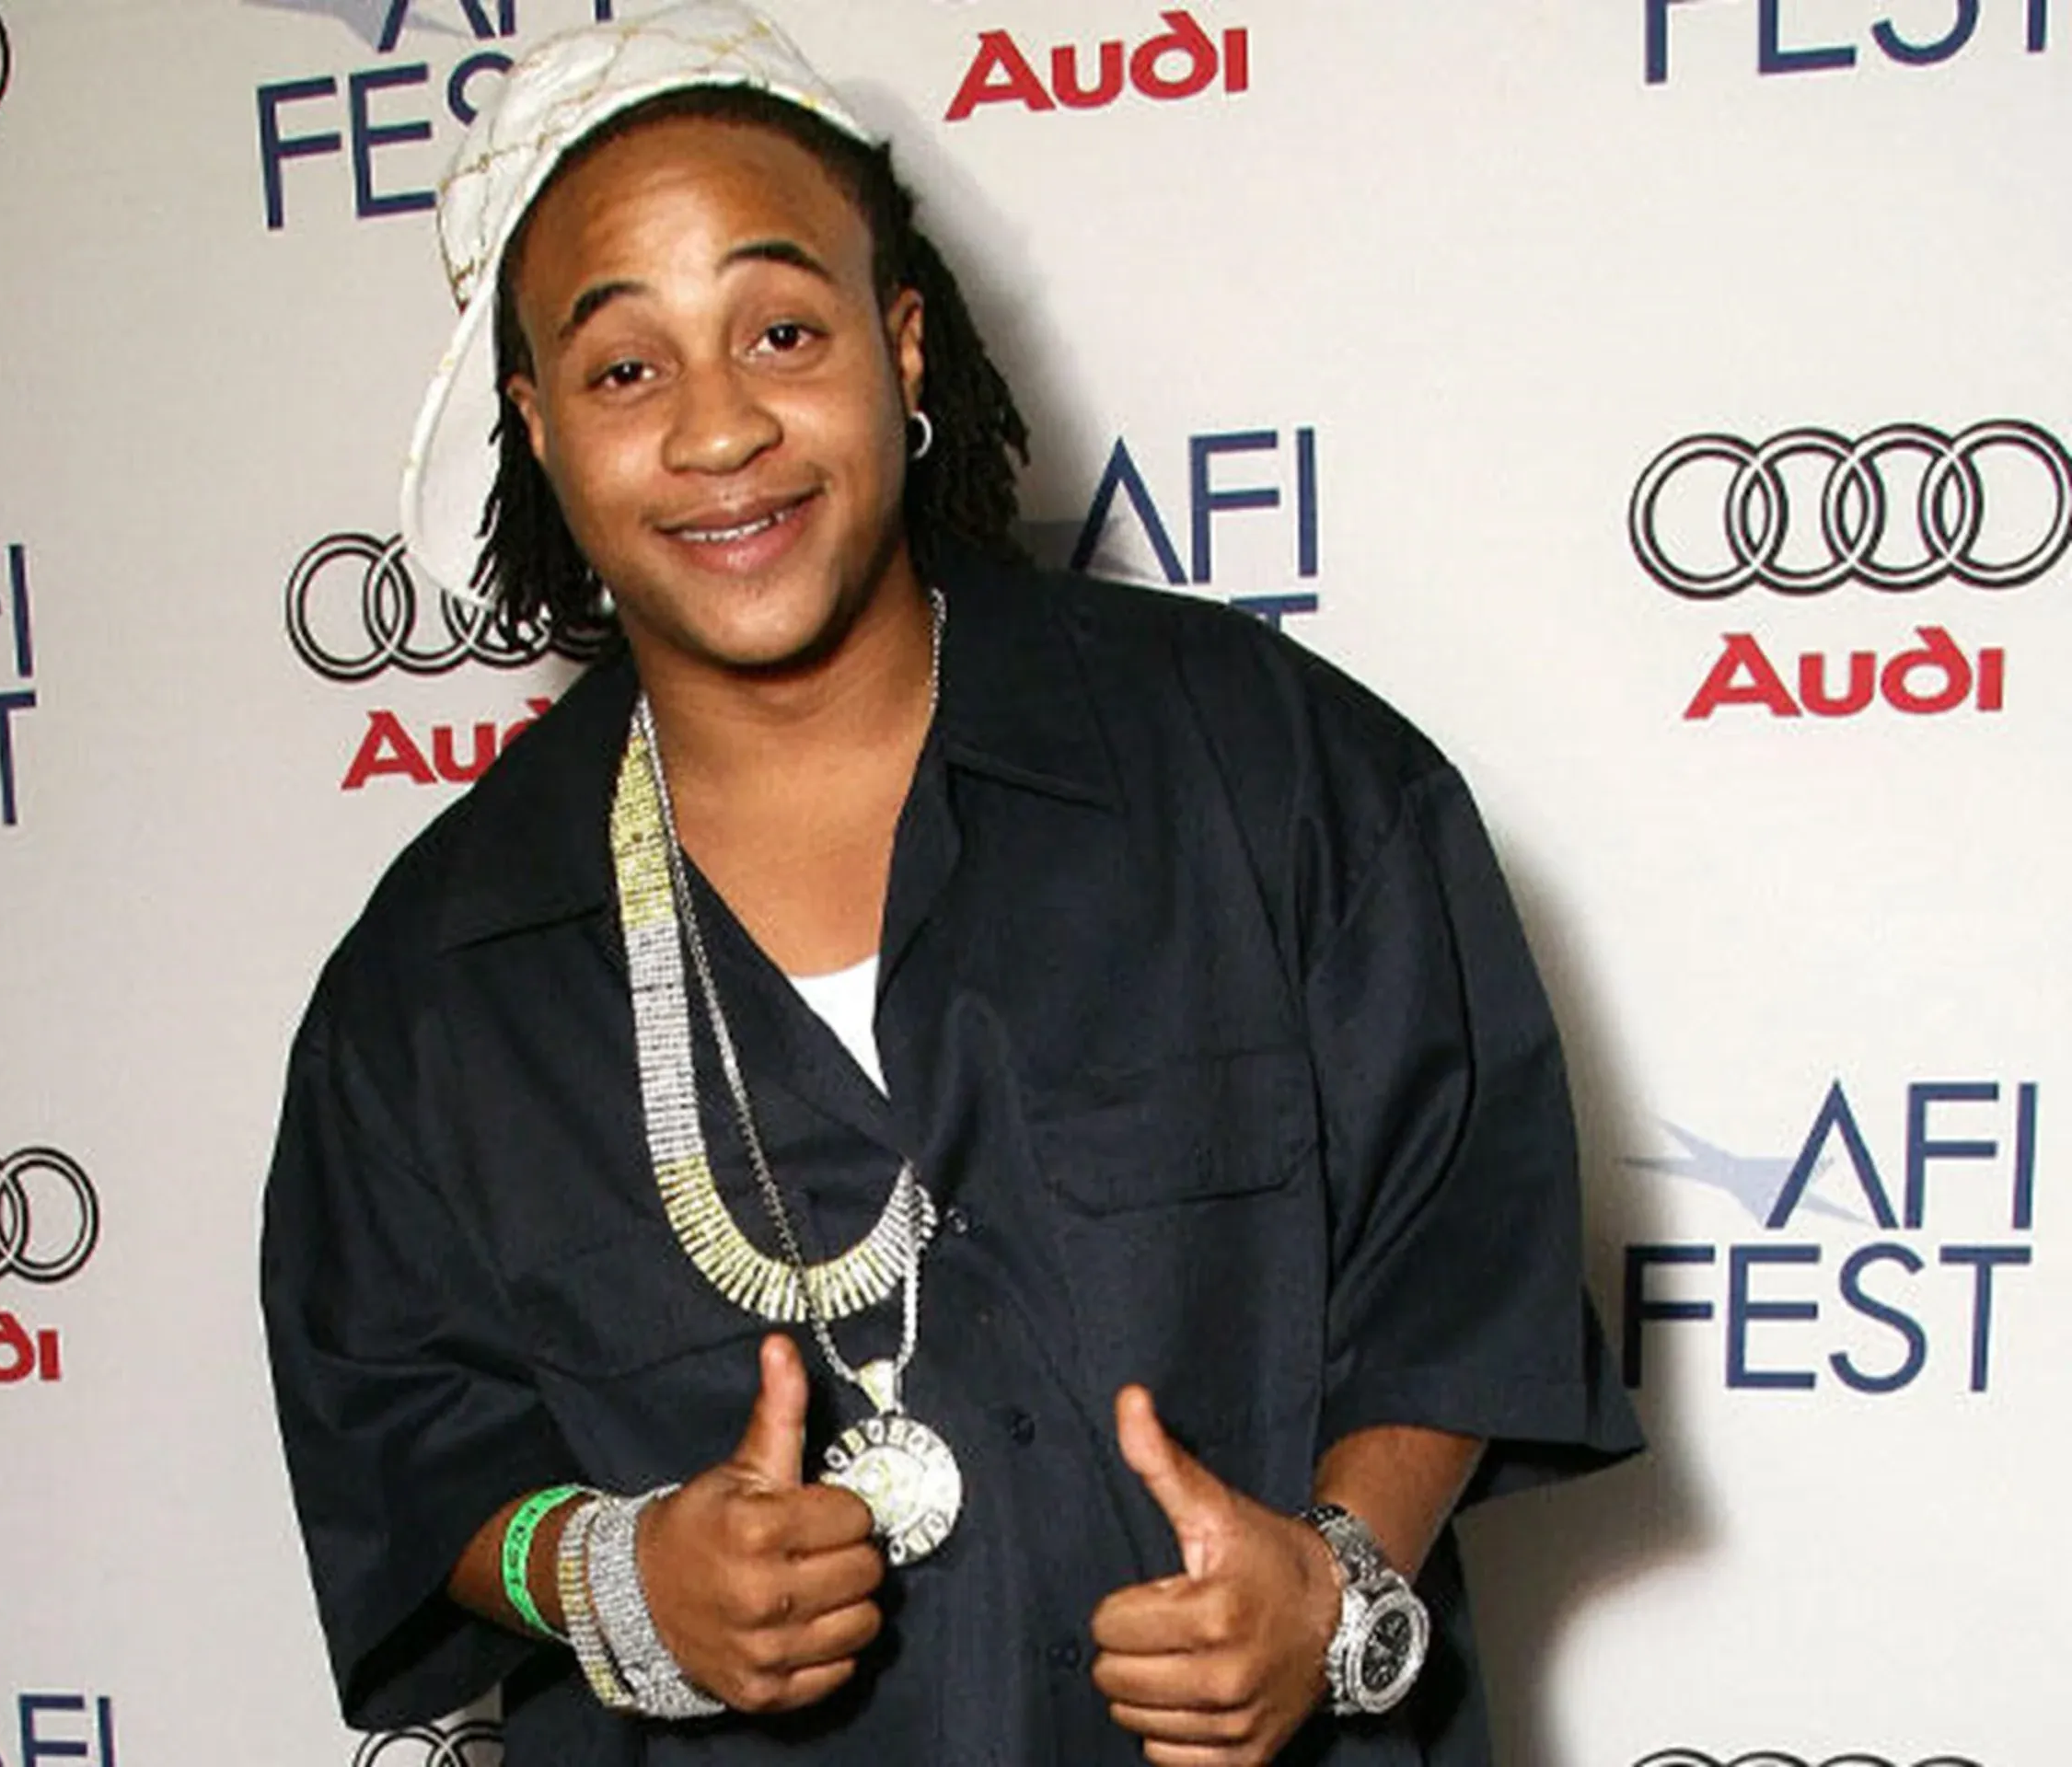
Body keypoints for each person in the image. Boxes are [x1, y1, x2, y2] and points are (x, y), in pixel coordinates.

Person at [260, 5, 1642, 1762]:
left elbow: (1462, 1252)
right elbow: (400, 1437)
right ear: (534, 428)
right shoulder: (433, 979)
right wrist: (614, 1571)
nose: (717, 431)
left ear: (902, 348)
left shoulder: (1263, 767)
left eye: (780, 330)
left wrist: (1337, 1577)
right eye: (623, 370)